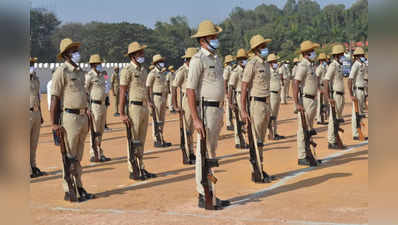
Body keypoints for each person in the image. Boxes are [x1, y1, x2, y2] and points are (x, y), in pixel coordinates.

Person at [187, 20, 230, 210]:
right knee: (204, 154)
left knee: (210, 152)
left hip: (217, 109)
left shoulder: (215, 58)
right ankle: (204, 193)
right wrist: (196, 119)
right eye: (213, 37)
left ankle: (210, 192)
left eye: (216, 36)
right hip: (206, 111)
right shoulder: (198, 60)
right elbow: (190, 91)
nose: (216, 39)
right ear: (203, 40)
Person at [51, 38, 95, 201]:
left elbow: (83, 94)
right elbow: (55, 99)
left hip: (83, 116)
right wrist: (55, 124)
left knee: (78, 156)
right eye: (74, 50)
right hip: (69, 118)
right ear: (67, 54)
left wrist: (88, 111)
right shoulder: (61, 72)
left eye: (77, 49)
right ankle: (68, 189)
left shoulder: (80, 72)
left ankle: (79, 186)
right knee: (68, 156)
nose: (77, 53)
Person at [119, 41, 157, 180]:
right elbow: (122, 91)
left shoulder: (143, 70)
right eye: (140, 53)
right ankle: (132, 168)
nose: (142, 55)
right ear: (133, 55)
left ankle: (141, 166)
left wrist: (150, 103)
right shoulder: (127, 70)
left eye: (142, 53)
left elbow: (146, 89)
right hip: (133, 107)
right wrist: (122, 113)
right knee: (133, 139)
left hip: (144, 107)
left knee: (141, 139)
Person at [241, 34, 274, 182]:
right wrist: (243, 109)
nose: (265, 49)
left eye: (265, 46)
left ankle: (260, 167)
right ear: (256, 49)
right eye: (262, 47)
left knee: (261, 140)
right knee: (256, 139)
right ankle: (255, 171)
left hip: (266, 103)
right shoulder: (252, 64)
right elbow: (244, 87)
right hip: (256, 104)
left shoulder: (265, 64)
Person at [293, 40, 322, 166]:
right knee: (302, 129)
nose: (314, 53)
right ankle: (301, 156)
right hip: (305, 100)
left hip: (312, 99)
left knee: (309, 129)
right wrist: (297, 103)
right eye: (312, 51)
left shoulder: (310, 65)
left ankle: (309, 154)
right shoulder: (303, 66)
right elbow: (296, 83)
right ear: (306, 53)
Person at [172, 47, 198, 164]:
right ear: (188, 59)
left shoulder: (196, 70)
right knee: (186, 129)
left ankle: (191, 152)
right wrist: (175, 105)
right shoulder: (182, 71)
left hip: (196, 100)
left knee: (192, 129)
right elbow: (174, 87)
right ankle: (186, 153)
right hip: (186, 101)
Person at [85, 54, 112, 162]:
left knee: (100, 130)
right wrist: (87, 107)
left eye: (101, 63)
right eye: (99, 63)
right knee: (94, 130)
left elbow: (107, 83)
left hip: (103, 104)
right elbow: (85, 92)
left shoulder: (103, 74)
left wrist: (107, 96)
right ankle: (93, 152)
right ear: (93, 64)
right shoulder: (89, 76)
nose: (101, 65)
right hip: (94, 105)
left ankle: (99, 151)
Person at [323, 44, 347, 149]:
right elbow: (326, 80)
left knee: (337, 118)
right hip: (335, 94)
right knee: (333, 119)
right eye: (341, 54)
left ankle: (335, 139)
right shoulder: (333, 65)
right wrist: (328, 97)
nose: (343, 56)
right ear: (337, 55)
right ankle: (331, 140)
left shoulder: (339, 65)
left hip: (341, 94)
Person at [146, 54, 172, 147]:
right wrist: (149, 101)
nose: (162, 63)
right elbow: (148, 87)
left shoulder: (163, 73)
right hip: (156, 97)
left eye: (162, 61)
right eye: (160, 62)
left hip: (163, 97)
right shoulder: (152, 74)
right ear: (156, 63)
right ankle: (156, 139)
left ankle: (161, 138)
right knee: (156, 119)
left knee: (162, 119)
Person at [228, 48, 249, 149]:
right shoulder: (235, 71)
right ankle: (238, 140)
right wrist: (231, 102)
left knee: (247, 119)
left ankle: (246, 139)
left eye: (245, 58)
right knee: (239, 120)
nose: (243, 60)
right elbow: (231, 87)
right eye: (241, 59)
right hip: (239, 95)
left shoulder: (248, 69)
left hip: (248, 95)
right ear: (238, 60)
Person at [29, 57, 46, 178]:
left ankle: (33, 166)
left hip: (35, 112)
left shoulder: (36, 79)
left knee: (34, 142)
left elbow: (38, 97)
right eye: (30, 63)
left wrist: (41, 114)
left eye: (33, 63)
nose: (32, 65)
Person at [348, 47, 368, 141]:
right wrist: (351, 94)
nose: (363, 56)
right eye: (361, 55)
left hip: (362, 90)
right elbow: (350, 79)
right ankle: (356, 133)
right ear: (357, 56)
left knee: (360, 112)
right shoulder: (355, 65)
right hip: (357, 91)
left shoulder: (362, 65)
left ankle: (359, 131)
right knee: (355, 112)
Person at [268, 53, 285, 140]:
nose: (276, 63)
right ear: (270, 63)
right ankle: (271, 134)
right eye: (274, 62)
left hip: (277, 94)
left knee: (275, 115)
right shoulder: (268, 71)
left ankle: (275, 132)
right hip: (271, 94)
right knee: (271, 115)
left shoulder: (277, 70)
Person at [315, 53, 329, 125]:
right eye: (323, 60)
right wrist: (318, 89)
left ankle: (323, 118)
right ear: (320, 61)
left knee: (325, 103)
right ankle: (319, 119)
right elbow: (316, 78)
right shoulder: (319, 68)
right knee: (320, 104)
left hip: (325, 87)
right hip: (320, 86)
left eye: (325, 60)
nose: (324, 61)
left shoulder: (326, 67)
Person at [223, 55, 235, 131]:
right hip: (228, 89)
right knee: (228, 108)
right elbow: (225, 81)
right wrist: (226, 92)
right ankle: (228, 123)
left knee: (231, 107)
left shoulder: (231, 68)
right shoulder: (227, 69)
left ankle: (231, 123)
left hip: (232, 89)